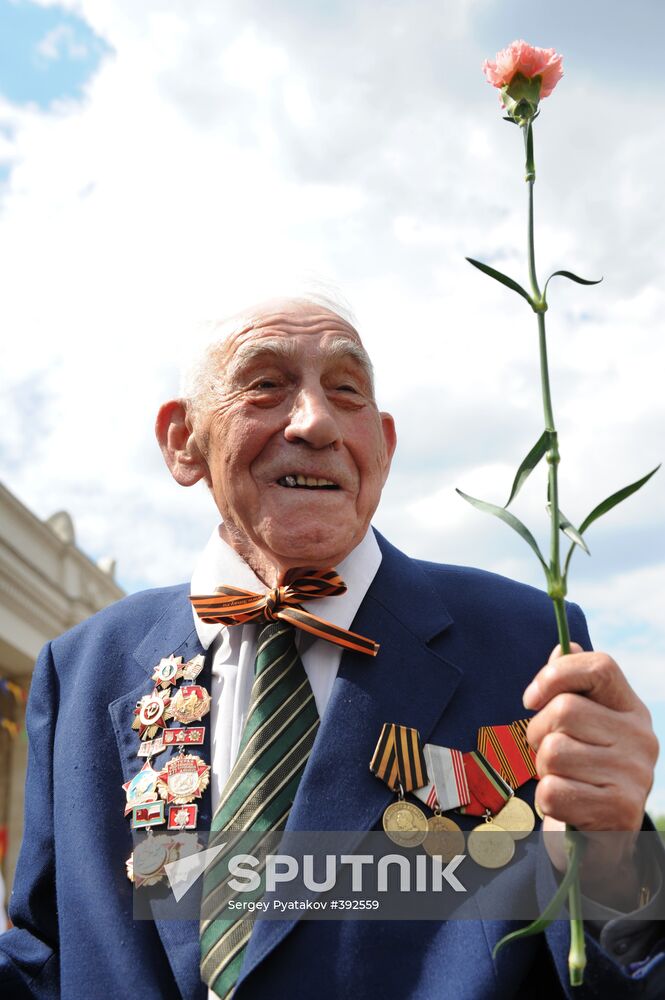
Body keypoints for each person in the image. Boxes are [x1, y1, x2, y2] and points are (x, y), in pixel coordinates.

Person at [1, 295, 663, 999]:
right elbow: (44, 958)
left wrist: (616, 866)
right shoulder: (82, 669)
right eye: (265, 384)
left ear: (383, 445)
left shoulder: (526, 643)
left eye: (346, 391)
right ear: (183, 440)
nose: (316, 422)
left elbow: (613, 965)